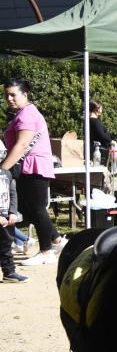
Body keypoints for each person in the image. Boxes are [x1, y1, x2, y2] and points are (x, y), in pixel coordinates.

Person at [1, 78, 65, 266]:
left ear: (25, 94)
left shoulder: (27, 114)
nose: (9, 98)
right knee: (31, 209)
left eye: (13, 94)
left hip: (33, 165)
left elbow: (21, 144)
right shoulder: (24, 113)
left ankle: (46, 251)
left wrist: (3, 169)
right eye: (6, 95)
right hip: (30, 166)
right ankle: (56, 241)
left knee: (37, 209)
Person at [0, 144, 27, 282]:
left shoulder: (7, 172)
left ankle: (9, 272)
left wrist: (12, 212)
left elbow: (12, 193)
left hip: (6, 217)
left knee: (6, 246)